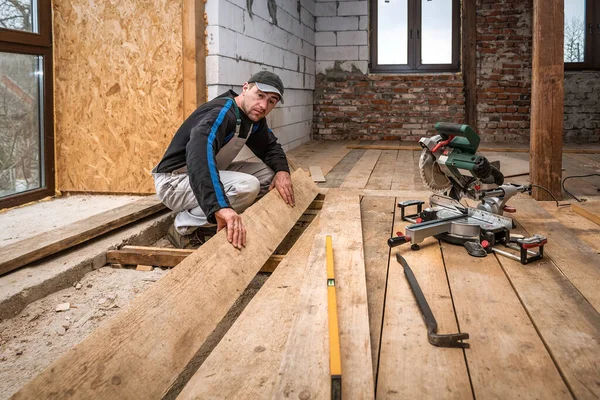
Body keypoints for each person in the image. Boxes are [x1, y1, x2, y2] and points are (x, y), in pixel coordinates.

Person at [152, 71, 294, 250]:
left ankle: (219, 218)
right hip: (175, 181)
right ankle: (183, 228)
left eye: (271, 101)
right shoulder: (222, 113)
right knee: (247, 186)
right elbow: (199, 157)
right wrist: (219, 206)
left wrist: (282, 171)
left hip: (201, 176)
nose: (264, 105)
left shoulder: (252, 117)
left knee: (270, 175)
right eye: (260, 95)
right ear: (245, 88)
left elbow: (271, 147)